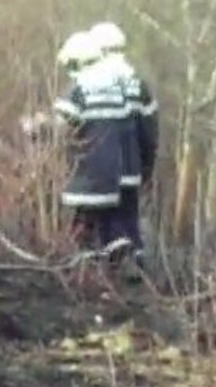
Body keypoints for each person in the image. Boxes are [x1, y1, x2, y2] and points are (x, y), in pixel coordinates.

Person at [51, 31, 132, 260]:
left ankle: (84, 269)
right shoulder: (115, 90)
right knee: (108, 225)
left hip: (86, 174)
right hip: (113, 174)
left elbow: (61, 127)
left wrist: (37, 127)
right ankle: (117, 262)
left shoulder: (79, 91)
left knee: (82, 228)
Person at [87, 21, 159, 267]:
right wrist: (146, 166)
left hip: (99, 171)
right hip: (132, 168)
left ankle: (111, 268)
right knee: (129, 220)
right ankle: (136, 265)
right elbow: (149, 131)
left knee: (106, 225)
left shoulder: (92, 85)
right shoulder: (138, 85)